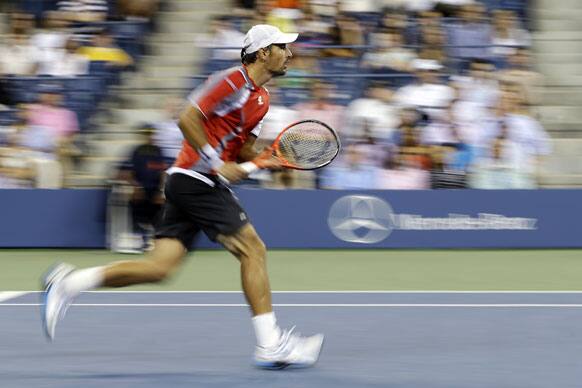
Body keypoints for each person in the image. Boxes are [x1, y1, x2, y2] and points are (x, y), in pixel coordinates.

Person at [41, 24, 324, 370]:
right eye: (283, 47)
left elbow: (245, 150)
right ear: (263, 53)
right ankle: (270, 344)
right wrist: (218, 162)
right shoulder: (233, 80)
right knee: (253, 249)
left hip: (195, 182)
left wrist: (273, 158)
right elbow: (187, 117)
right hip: (195, 178)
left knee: (159, 268)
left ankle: (68, 283)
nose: (290, 54)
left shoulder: (262, 100)